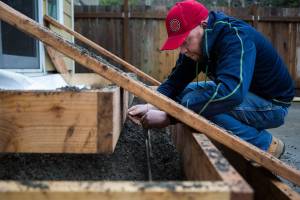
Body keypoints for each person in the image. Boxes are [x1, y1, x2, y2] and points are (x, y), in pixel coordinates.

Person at [128, 0, 295, 158]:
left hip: (272, 105)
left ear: (204, 25)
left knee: (198, 103)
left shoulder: (235, 37)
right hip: (247, 94)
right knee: (187, 94)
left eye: (185, 41)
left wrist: (169, 117)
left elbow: (231, 94)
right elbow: (174, 83)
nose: (182, 50)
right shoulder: (200, 42)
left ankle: (265, 144)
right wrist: (152, 104)